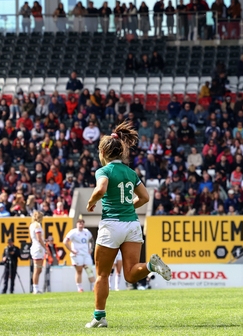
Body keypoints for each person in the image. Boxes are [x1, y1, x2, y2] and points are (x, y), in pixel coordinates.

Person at [84, 122, 172, 328]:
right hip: (132, 223)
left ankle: (99, 317)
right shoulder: (131, 172)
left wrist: (91, 201)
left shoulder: (103, 170)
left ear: (104, 151)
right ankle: (151, 266)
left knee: (102, 274)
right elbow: (145, 197)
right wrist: (129, 205)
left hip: (112, 224)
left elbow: (101, 189)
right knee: (131, 273)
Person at [64, 217, 95, 293]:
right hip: (77, 254)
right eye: (79, 223)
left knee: (89, 270)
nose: (81, 224)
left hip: (86, 254)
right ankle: (79, 288)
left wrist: (91, 249)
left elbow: (91, 240)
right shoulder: (73, 232)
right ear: (76, 224)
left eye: (82, 223)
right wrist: (72, 250)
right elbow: (65, 241)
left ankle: (94, 287)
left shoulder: (86, 231)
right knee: (79, 271)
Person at [29, 211, 48, 294]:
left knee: (39, 269)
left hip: (36, 246)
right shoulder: (37, 225)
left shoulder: (32, 225)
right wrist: (45, 247)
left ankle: (36, 288)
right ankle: (35, 289)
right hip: (38, 248)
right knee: (37, 269)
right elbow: (39, 238)